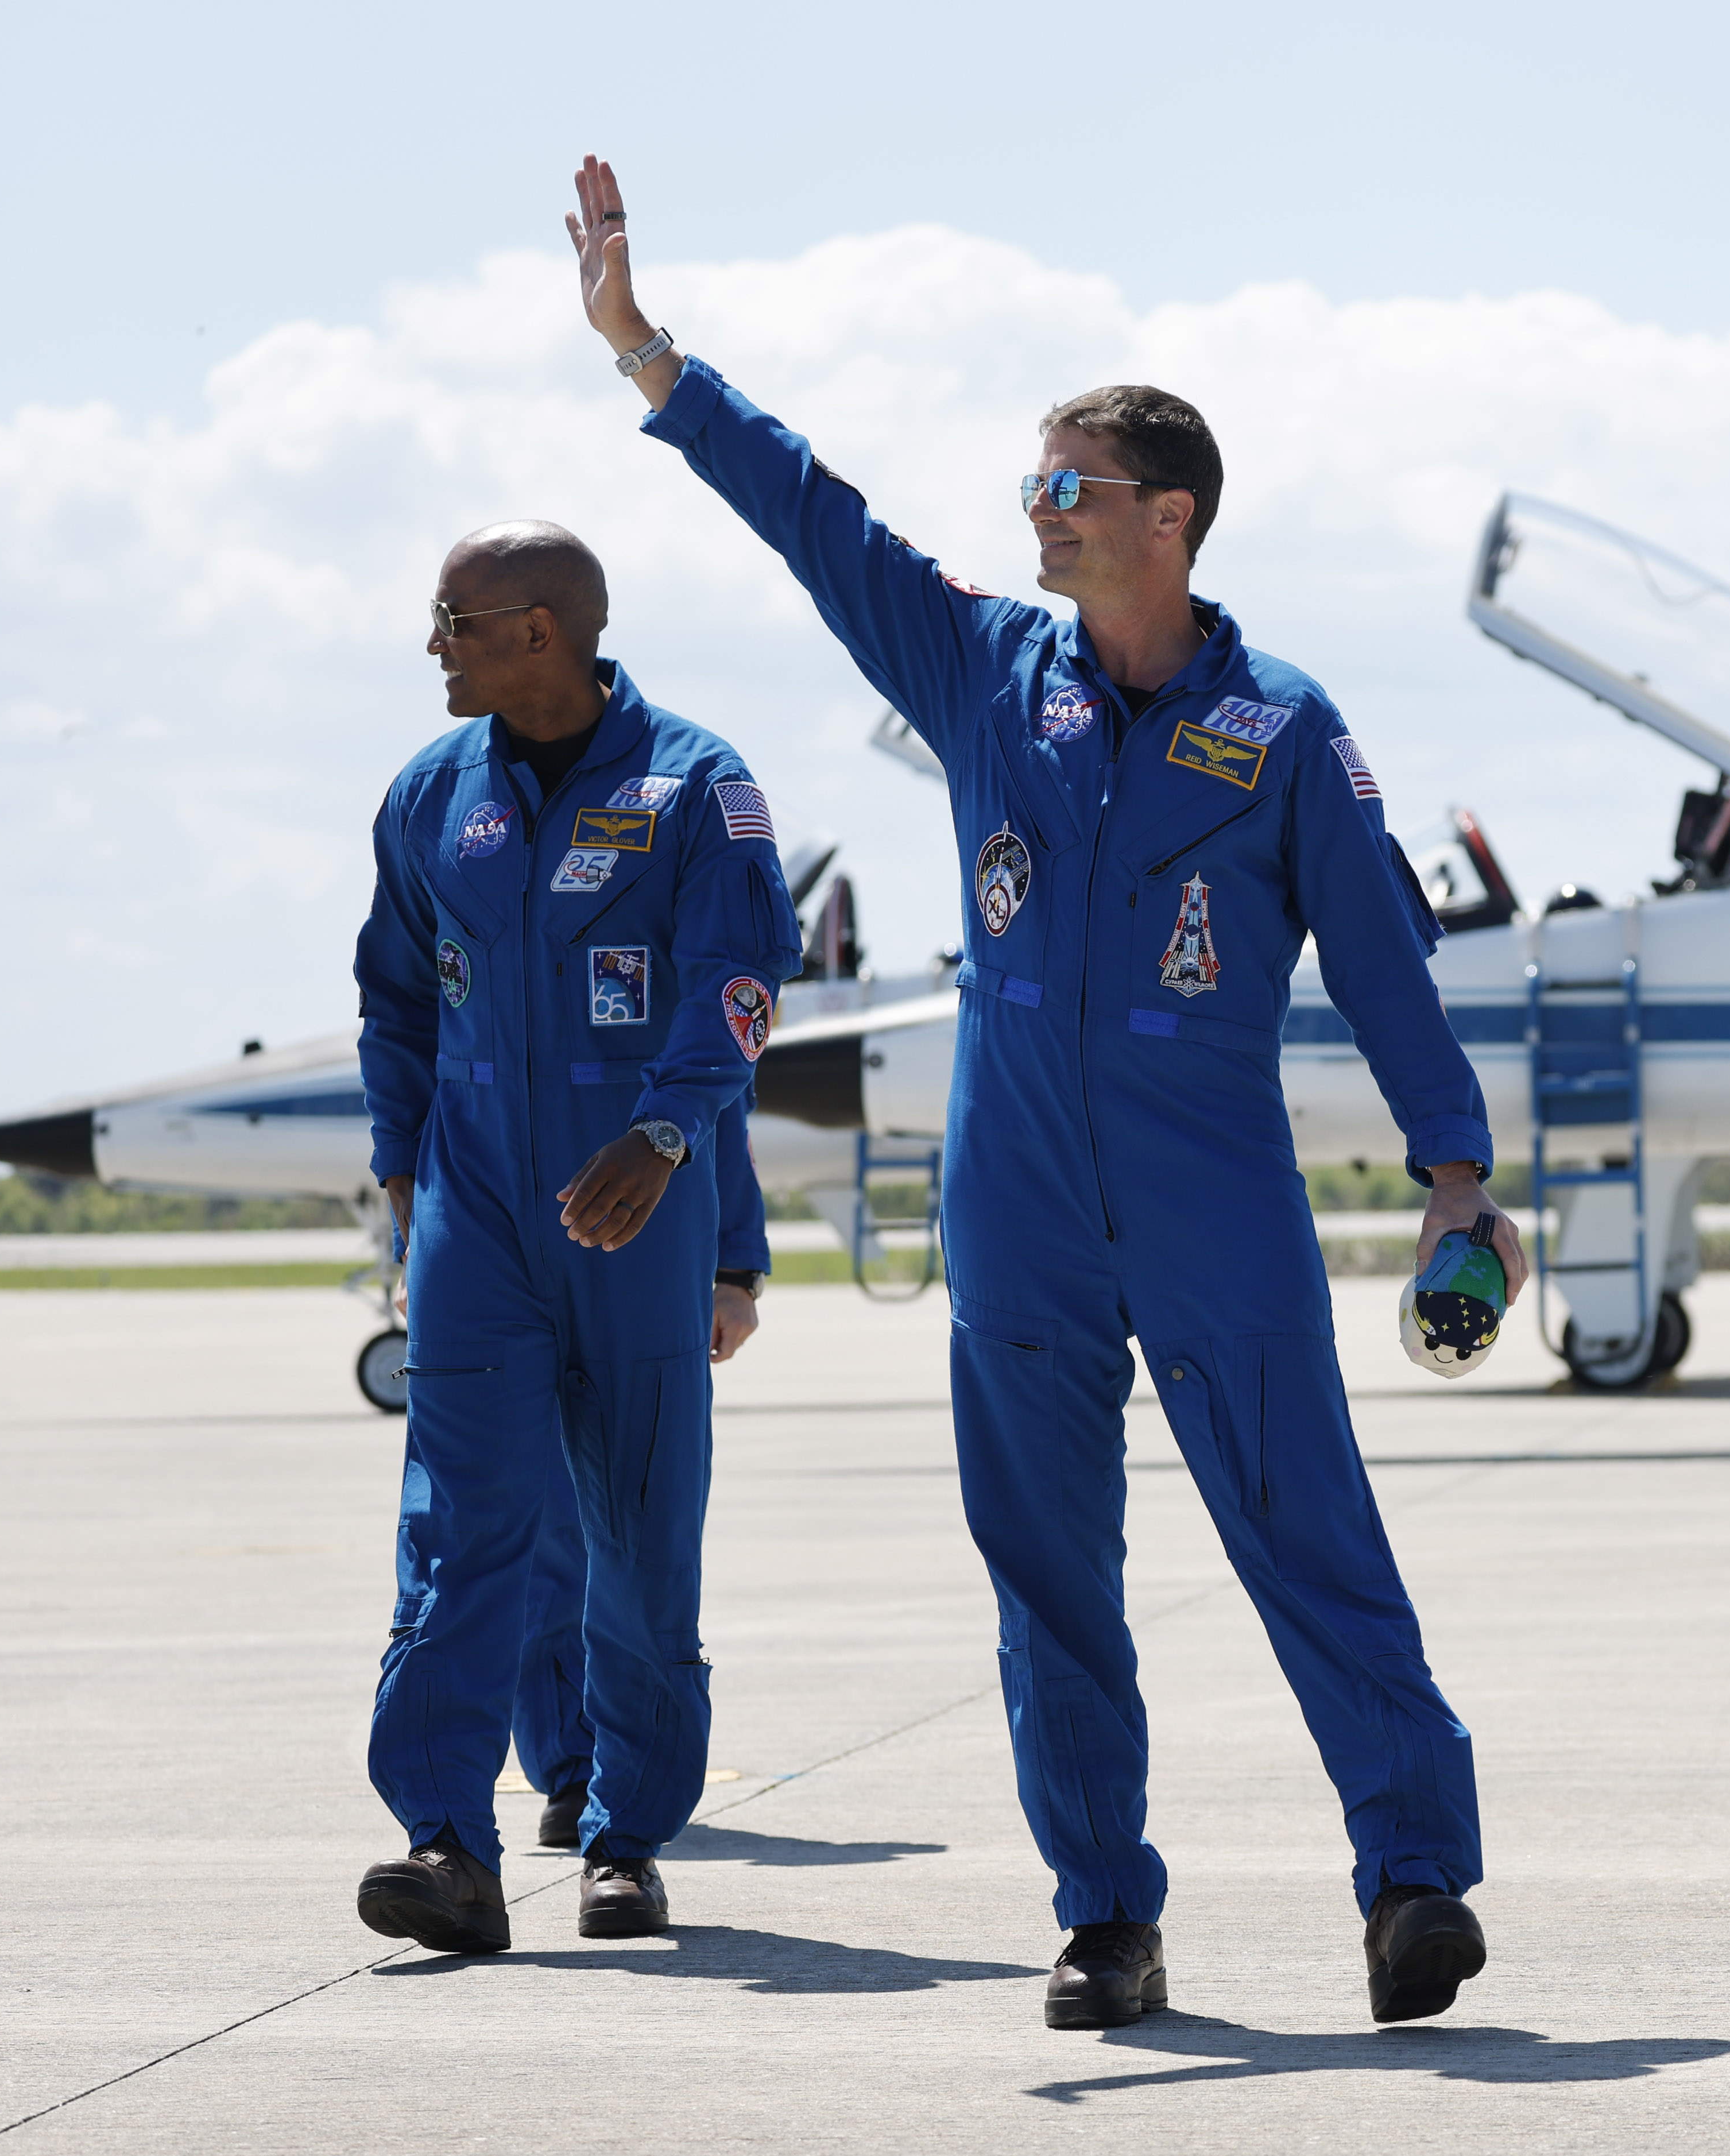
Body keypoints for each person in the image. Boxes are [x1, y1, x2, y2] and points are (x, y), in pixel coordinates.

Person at [566, 154, 1520, 2029]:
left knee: (1307, 1529)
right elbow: (820, 523)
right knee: (1045, 1570)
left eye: (1066, 489)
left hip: (1211, 1186)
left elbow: (1388, 968)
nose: (1035, 515)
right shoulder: (989, 672)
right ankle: (1105, 1910)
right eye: (1030, 486)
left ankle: (1413, 1878)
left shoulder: (1288, 731)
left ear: (1169, 517)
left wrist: (1454, 1172)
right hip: (1015, 1199)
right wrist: (651, 361)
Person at [351, 519, 803, 1952]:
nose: (436, 643)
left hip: (638, 1213)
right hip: (479, 1215)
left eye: (455, 619)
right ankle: (445, 1841)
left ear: (542, 628)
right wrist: (405, 1176)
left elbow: (741, 985)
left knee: (641, 1531)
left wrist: (668, 1136)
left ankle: (623, 1834)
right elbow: (397, 1000)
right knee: (461, 1528)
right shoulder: (428, 796)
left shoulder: (698, 789)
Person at [518, 1096, 775, 1852]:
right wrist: (420, 1241)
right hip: (505, 1258)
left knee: (639, 1540)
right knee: (542, 1532)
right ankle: (573, 1766)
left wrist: (734, 1269)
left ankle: (621, 1788)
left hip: (647, 1263)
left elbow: (718, 1099)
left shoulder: (675, 987)